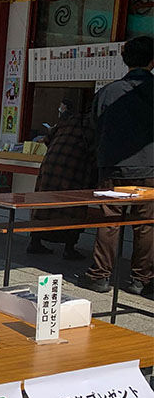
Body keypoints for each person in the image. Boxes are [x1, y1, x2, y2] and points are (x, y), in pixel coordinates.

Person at [77, 36, 153, 296]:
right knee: (147, 223)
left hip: (113, 168)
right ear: (153, 61)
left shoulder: (108, 92)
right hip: (151, 169)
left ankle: (99, 276)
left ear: (125, 59)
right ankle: (141, 279)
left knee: (109, 220)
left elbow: (93, 128)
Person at [26, 99, 97, 259]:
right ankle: (69, 248)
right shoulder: (94, 126)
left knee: (43, 203)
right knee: (72, 207)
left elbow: (48, 138)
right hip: (74, 168)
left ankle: (35, 242)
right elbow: (95, 153)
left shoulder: (70, 120)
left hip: (50, 164)